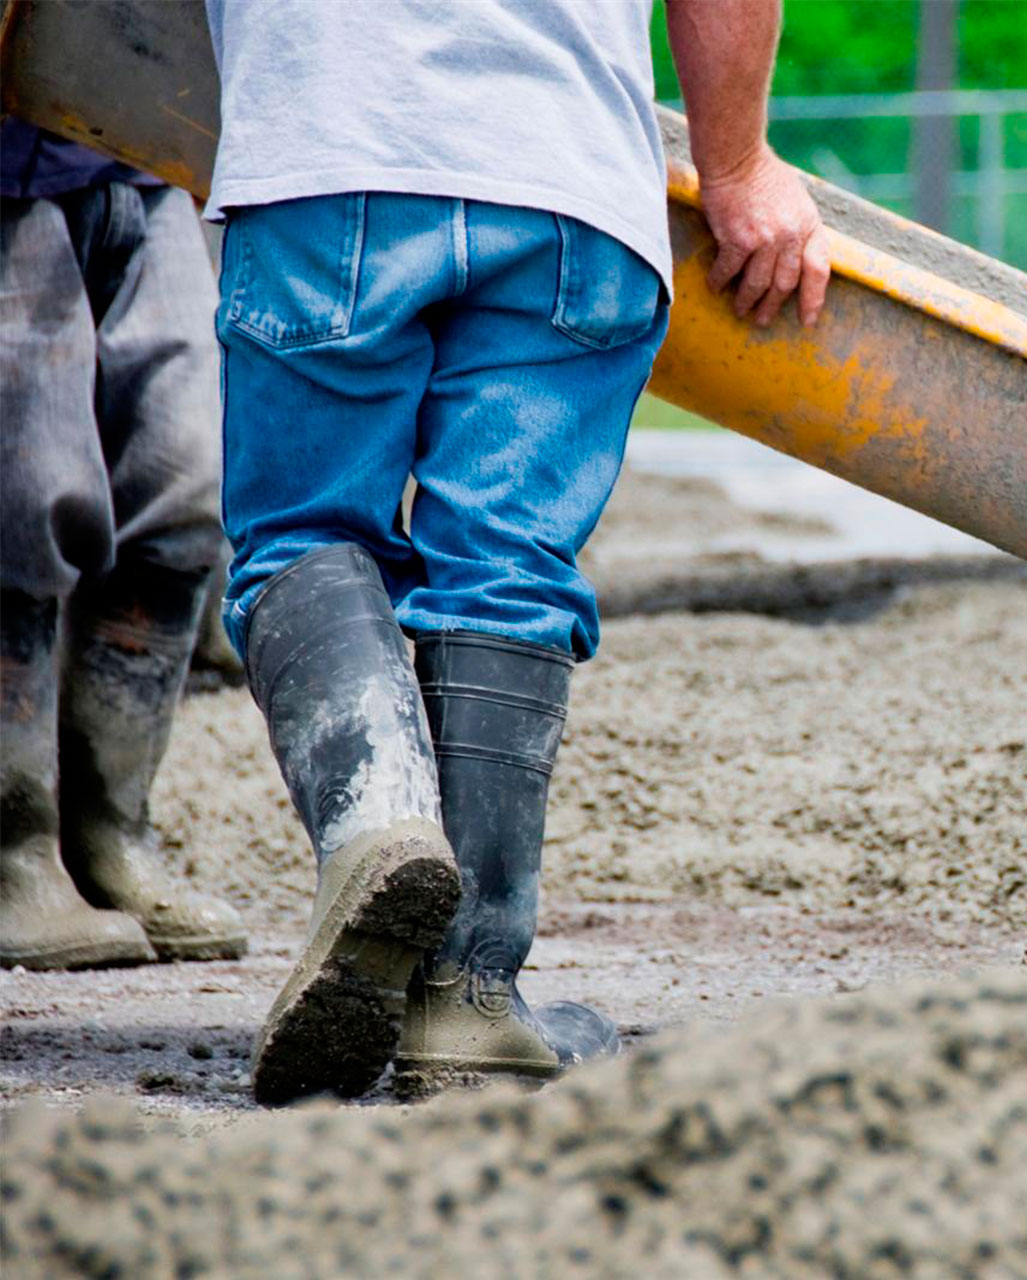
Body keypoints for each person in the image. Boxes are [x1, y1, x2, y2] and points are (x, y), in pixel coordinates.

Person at [202, 0, 830, 1104]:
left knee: (306, 532)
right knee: (504, 567)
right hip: (567, 178)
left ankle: (380, 826)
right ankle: (469, 994)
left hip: (330, 147)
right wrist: (738, 168)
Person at [0, 120, 248, 971]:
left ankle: (110, 836)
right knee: (22, 493)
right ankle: (14, 851)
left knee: (187, 482)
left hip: (140, 155)